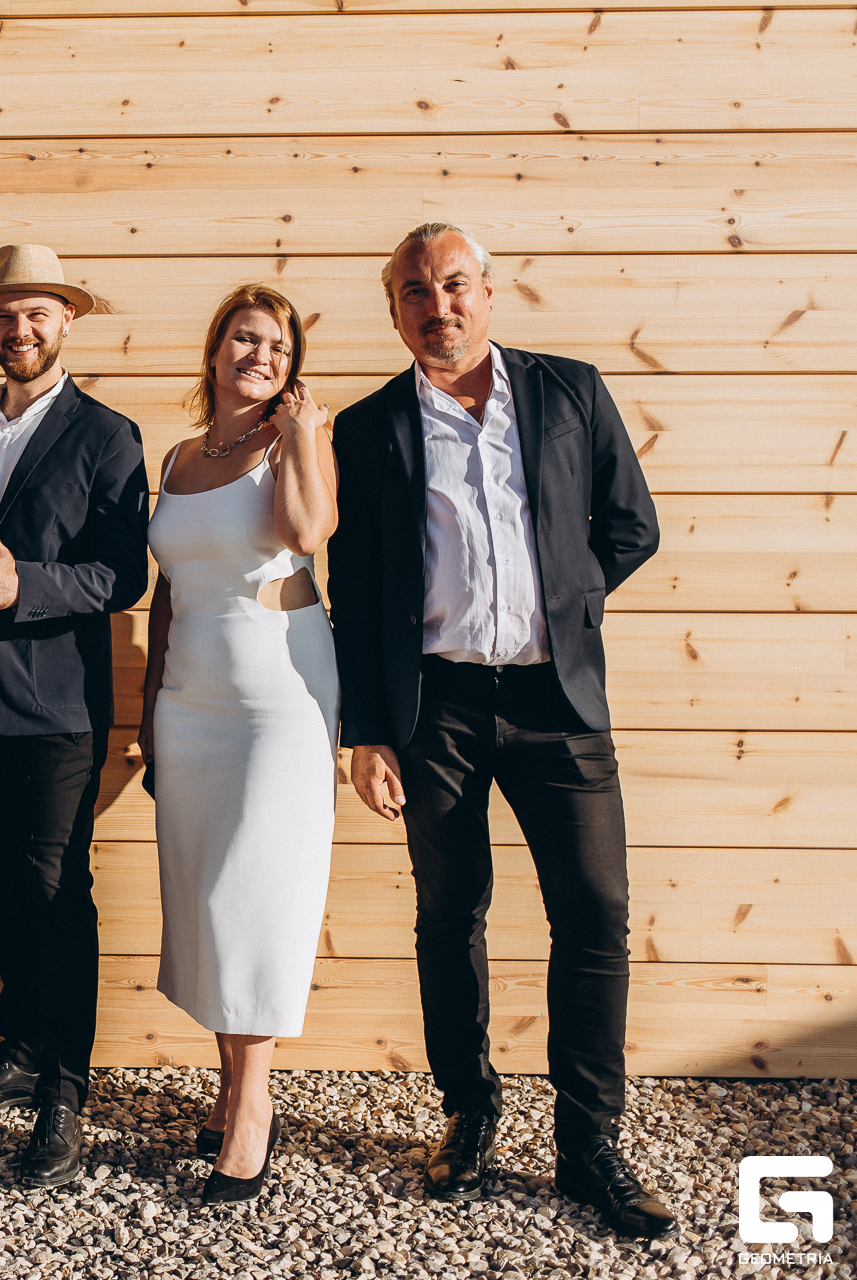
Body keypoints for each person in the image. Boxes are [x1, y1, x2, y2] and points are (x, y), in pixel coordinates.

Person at [330, 223, 672, 1237]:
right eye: (415, 291)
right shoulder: (369, 426)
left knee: (595, 914)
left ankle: (589, 1141)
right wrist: (367, 730)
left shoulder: (569, 392)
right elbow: (358, 588)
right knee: (450, 913)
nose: (437, 306)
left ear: (488, 290)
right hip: (434, 708)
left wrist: (566, 602)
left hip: (556, 700)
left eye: (453, 285)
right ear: (395, 311)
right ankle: (469, 1110)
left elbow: (631, 524)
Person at [0, 245, 150, 1188]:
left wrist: (28, 586)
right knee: (6, 886)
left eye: (37, 313)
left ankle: (66, 1089)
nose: (20, 329)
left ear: (66, 320)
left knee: (56, 894)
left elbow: (121, 574)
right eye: (4, 314)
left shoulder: (108, 435)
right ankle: (19, 1049)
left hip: (59, 709)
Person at [137, 284, 338, 1205]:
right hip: (190, 700)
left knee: (255, 897)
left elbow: (305, 532)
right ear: (215, 350)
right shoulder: (178, 456)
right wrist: (150, 703)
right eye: (245, 340)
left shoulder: (296, 442)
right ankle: (228, 1090)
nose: (260, 357)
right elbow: (169, 589)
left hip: (277, 699)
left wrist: (299, 432)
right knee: (208, 900)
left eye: (279, 348)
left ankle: (254, 1108)